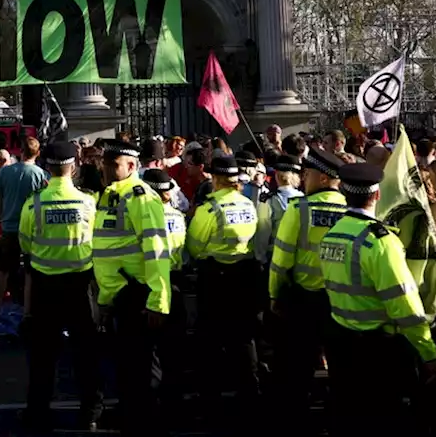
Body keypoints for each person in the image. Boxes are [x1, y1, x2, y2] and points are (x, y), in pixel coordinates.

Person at [319, 163, 436, 432]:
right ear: (376, 196)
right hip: (376, 351)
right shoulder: (381, 242)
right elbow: (404, 305)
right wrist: (428, 353)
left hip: (340, 341)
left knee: (347, 415)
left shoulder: (333, 234)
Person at [18, 142, 101, 432]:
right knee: (85, 354)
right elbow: (96, 241)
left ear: (46, 167)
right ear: (73, 166)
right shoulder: (88, 202)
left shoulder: (35, 202)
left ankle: (38, 414)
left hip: (45, 285)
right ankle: (90, 412)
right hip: (80, 283)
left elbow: (25, 243)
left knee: (43, 356)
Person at [92, 144, 170, 437]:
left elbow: (157, 251)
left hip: (137, 294)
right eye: (106, 163)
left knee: (143, 368)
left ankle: (147, 423)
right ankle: (131, 416)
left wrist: (158, 300)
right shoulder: (111, 194)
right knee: (126, 366)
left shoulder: (140, 198)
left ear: (132, 166)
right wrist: (104, 298)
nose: (108, 168)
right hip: (119, 295)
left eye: (116, 164)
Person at [267, 147, 346, 422]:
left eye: (308, 173)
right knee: (341, 370)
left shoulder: (299, 209)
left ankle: (296, 422)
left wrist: (275, 295)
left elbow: (281, 260)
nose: (304, 179)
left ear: (323, 179)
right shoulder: (351, 209)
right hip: (342, 302)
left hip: (304, 302)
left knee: (296, 370)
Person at [186, 153, 261, 407]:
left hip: (215, 276)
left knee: (211, 337)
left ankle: (210, 396)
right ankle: (249, 391)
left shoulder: (209, 208)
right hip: (244, 274)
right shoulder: (247, 204)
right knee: (243, 336)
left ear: (215, 178)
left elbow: (195, 245)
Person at [141, 167, 188, 411]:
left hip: (151, 282)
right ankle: (174, 401)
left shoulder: (145, 217)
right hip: (175, 281)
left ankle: (152, 401)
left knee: (150, 350)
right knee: (174, 348)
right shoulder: (178, 217)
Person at [0, 135, 47, 319]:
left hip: (9, 227)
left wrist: (0, 217)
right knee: (30, 272)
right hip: (31, 230)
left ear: (20, 150)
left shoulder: (5, 172)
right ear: (37, 153)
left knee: (2, 270)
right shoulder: (41, 174)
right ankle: (27, 312)